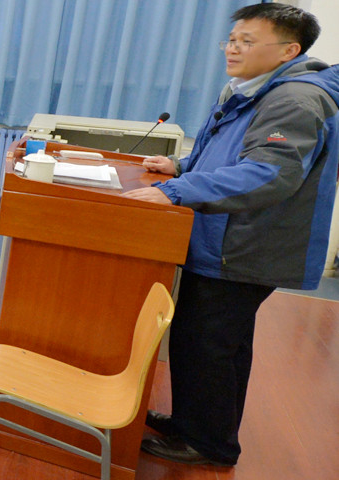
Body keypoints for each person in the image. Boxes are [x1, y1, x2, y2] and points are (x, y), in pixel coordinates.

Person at [125, 4, 339, 468]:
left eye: (247, 41)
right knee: (215, 342)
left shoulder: (294, 101)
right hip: (227, 238)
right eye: (232, 39)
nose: (233, 49)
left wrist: (176, 191)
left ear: (289, 50)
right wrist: (181, 166)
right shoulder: (255, 88)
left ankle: (208, 444)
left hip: (245, 245)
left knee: (209, 343)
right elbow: (230, 154)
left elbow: (268, 174)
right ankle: (197, 425)